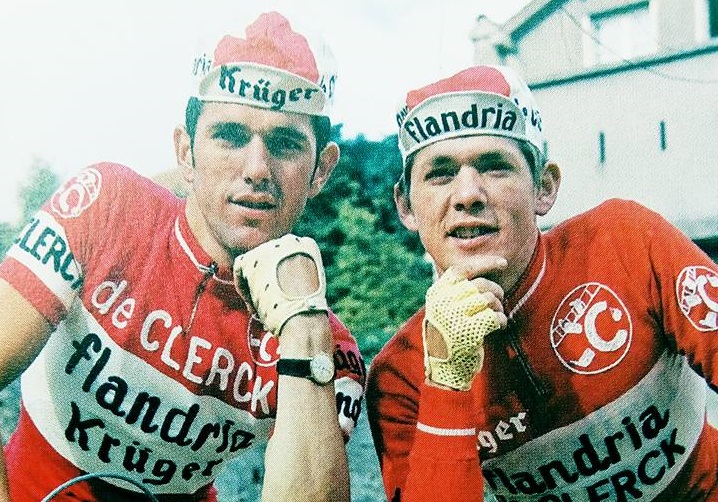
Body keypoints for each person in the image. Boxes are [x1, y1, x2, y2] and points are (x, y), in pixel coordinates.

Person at [0, 11, 365, 502]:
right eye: (230, 136)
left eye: (284, 144)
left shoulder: (330, 347)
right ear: (186, 150)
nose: (256, 168)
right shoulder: (106, 207)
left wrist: (303, 327)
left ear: (321, 170)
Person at [366, 64, 718, 501]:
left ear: (544, 188)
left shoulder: (626, 242)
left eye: (495, 167)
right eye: (440, 173)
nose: (468, 194)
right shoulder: (399, 375)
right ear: (405, 205)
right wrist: (446, 382)